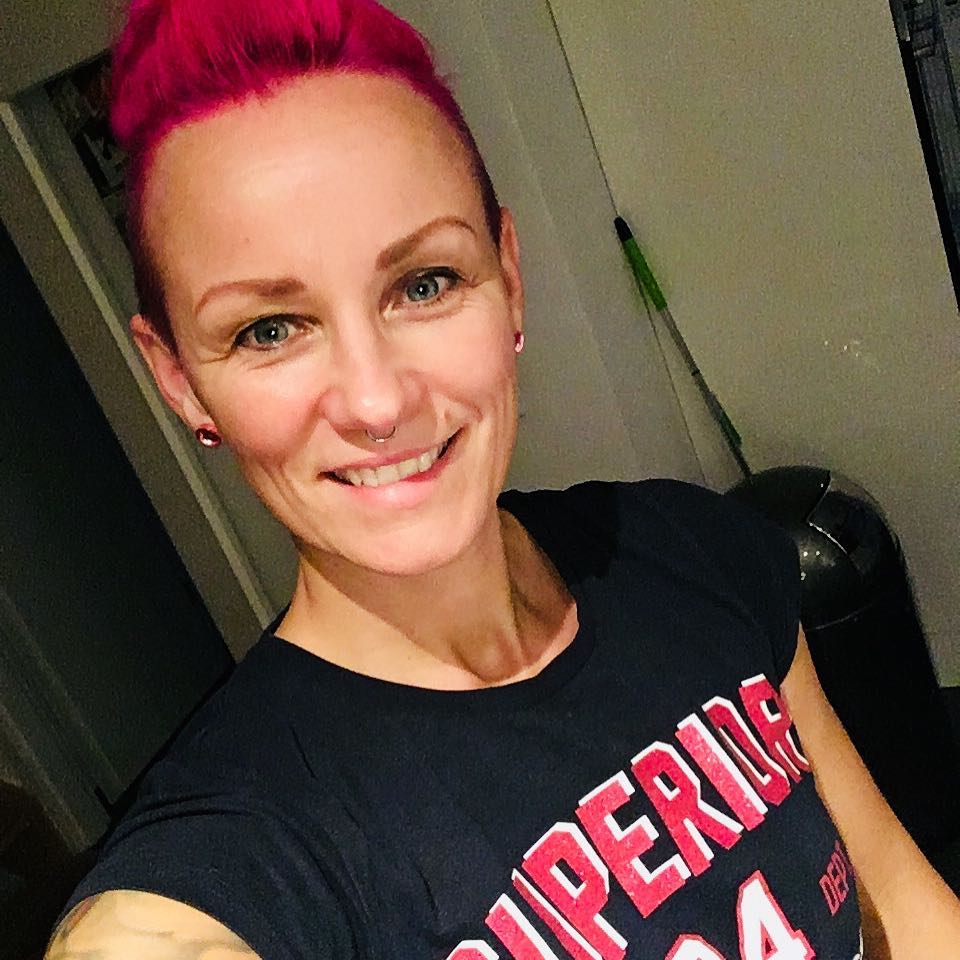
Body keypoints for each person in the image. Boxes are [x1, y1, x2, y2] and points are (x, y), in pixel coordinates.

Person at [44, 1, 960, 958]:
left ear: (510, 281)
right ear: (180, 380)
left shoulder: (692, 552)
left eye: (424, 283)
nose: (377, 400)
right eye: (268, 330)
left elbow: (899, 900)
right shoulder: (248, 846)